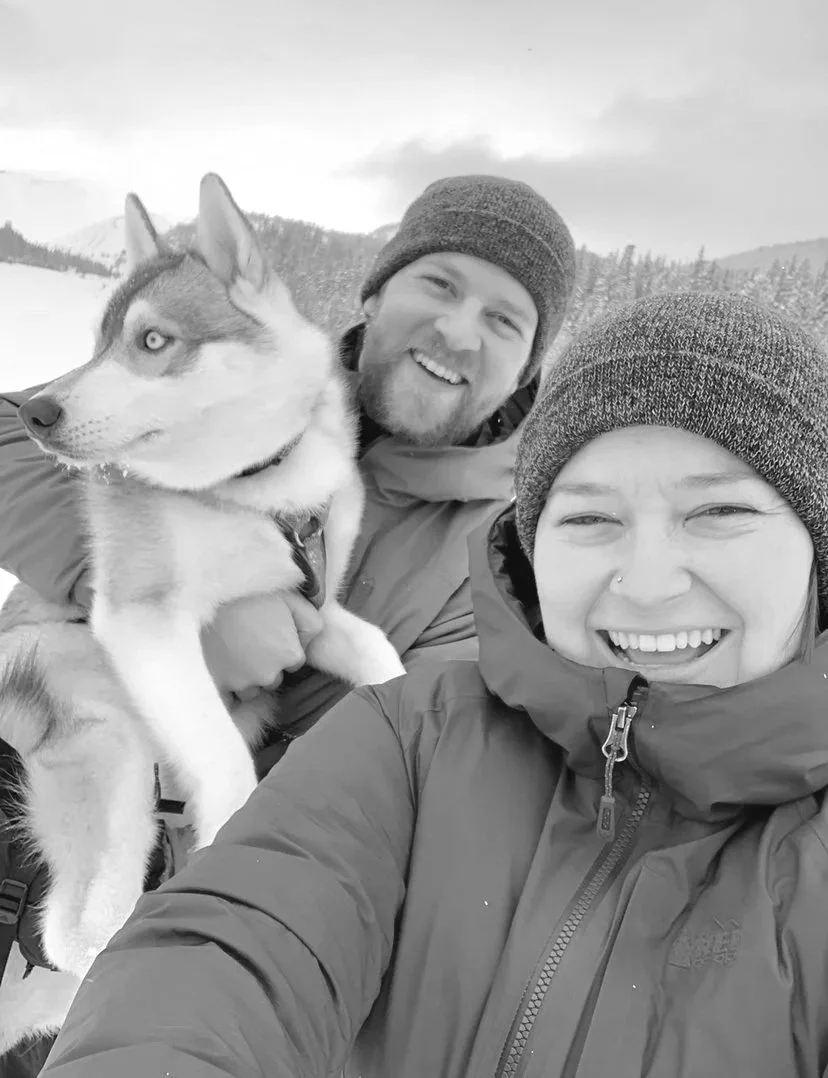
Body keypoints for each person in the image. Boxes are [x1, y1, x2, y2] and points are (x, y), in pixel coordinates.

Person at [37, 291, 828, 1077]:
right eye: (589, 519)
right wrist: (156, 599)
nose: (649, 585)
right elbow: (234, 943)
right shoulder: (412, 739)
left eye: (721, 512)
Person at [0, 174, 576, 773]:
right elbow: (14, 430)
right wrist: (153, 600)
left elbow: (414, 757)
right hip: (32, 719)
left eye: (504, 321)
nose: (458, 331)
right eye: (440, 284)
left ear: (524, 371)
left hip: (213, 810)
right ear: (375, 295)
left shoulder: (501, 558)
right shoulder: (254, 377)